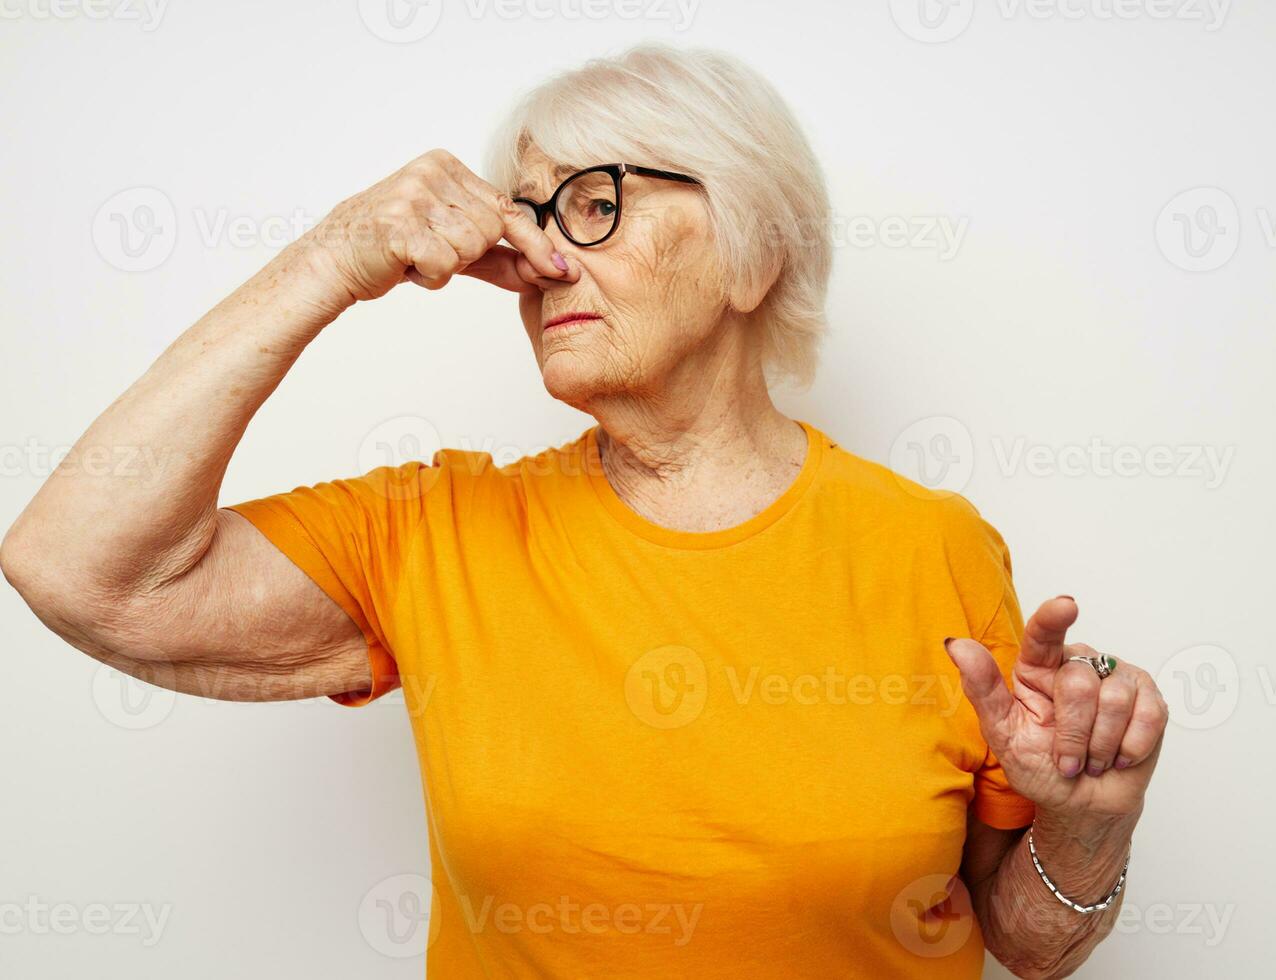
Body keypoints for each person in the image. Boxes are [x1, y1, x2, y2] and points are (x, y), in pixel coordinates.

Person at [1, 44, 1167, 978]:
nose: (545, 258)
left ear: (753, 256)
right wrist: (333, 258)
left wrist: (1085, 828)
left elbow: (1027, 938)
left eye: (596, 203)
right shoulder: (436, 530)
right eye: (529, 214)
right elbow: (74, 566)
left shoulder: (933, 546)